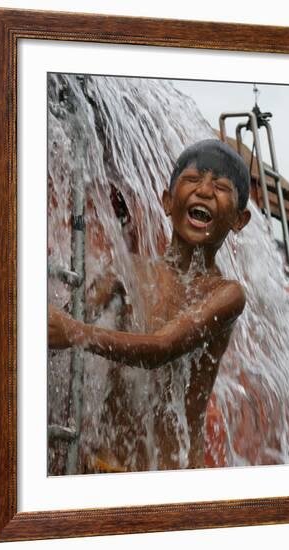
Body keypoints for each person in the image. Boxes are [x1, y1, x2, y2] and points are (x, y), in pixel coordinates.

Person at [48, 138, 251, 471]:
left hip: (170, 475)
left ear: (239, 220)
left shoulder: (226, 294)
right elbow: (64, 322)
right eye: (192, 179)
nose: (204, 191)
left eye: (221, 186)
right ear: (168, 201)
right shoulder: (127, 270)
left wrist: (75, 332)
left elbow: (161, 348)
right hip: (104, 466)